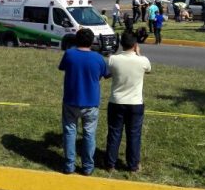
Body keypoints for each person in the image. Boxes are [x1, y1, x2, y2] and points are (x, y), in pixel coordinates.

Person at [57, 28, 109, 176]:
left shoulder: (69, 54)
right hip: (91, 102)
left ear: (76, 40)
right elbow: (106, 74)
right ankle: (87, 166)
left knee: (69, 132)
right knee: (89, 134)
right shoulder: (98, 58)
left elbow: (62, 67)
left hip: (71, 100)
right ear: (92, 42)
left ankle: (69, 165)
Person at [105, 32, 151, 172]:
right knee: (134, 135)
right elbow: (148, 70)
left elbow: (107, 74)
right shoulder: (143, 61)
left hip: (116, 101)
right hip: (135, 103)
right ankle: (133, 165)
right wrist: (138, 54)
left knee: (114, 133)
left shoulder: (113, 59)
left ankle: (110, 164)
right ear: (135, 45)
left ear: (121, 44)